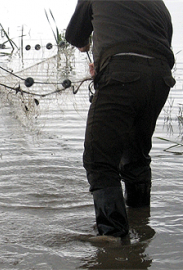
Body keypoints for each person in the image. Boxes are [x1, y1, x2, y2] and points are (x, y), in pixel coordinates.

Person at [65, 0, 175, 238]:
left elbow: (74, 35)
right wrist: (107, 63)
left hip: (122, 74)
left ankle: (113, 241)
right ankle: (140, 222)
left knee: (99, 161)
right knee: (136, 159)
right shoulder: (159, 3)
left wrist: (92, 49)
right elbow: (158, 44)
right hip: (161, 79)